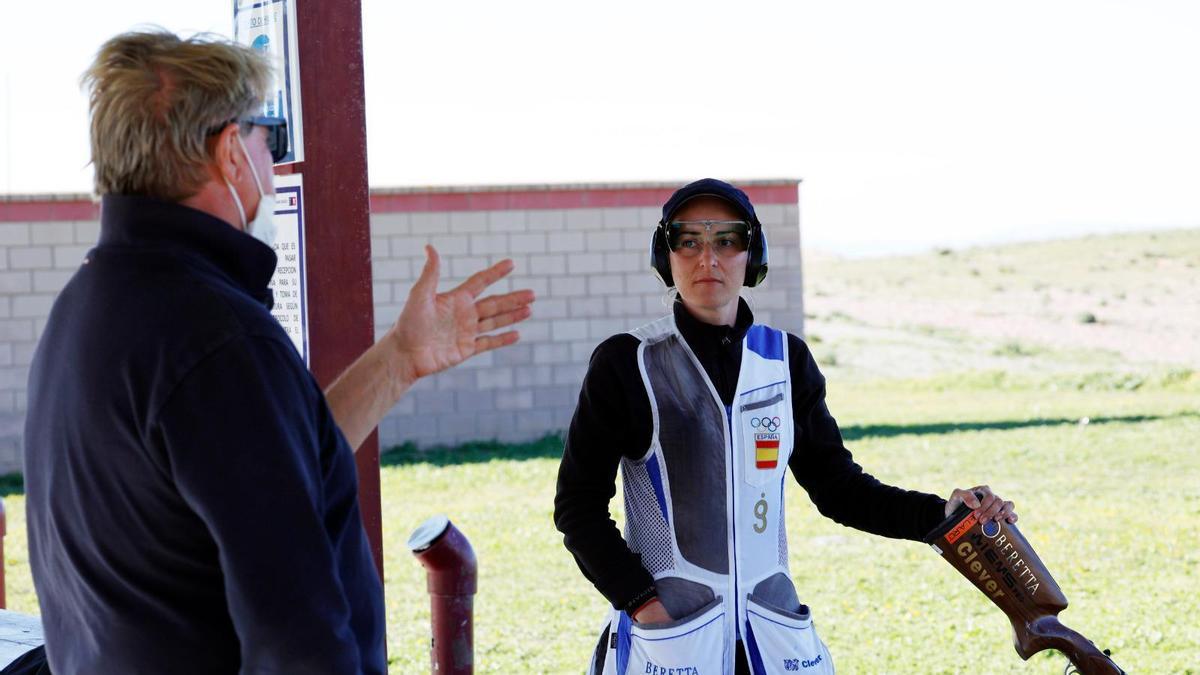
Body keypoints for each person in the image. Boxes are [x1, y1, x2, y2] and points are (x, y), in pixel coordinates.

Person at [22, 31, 533, 674]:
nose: (273, 163)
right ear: (230, 152)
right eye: (271, 137)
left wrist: (400, 356)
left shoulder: (93, 301)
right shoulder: (215, 338)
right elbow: (298, 636)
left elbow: (271, 469)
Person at [553, 178, 1015, 674]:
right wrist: (645, 604)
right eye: (688, 241)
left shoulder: (784, 361)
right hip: (670, 642)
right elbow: (578, 510)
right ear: (665, 255)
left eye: (727, 240)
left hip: (772, 638)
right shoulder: (627, 363)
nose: (707, 258)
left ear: (752, 255)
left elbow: (839, 489)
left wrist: (944, 515)